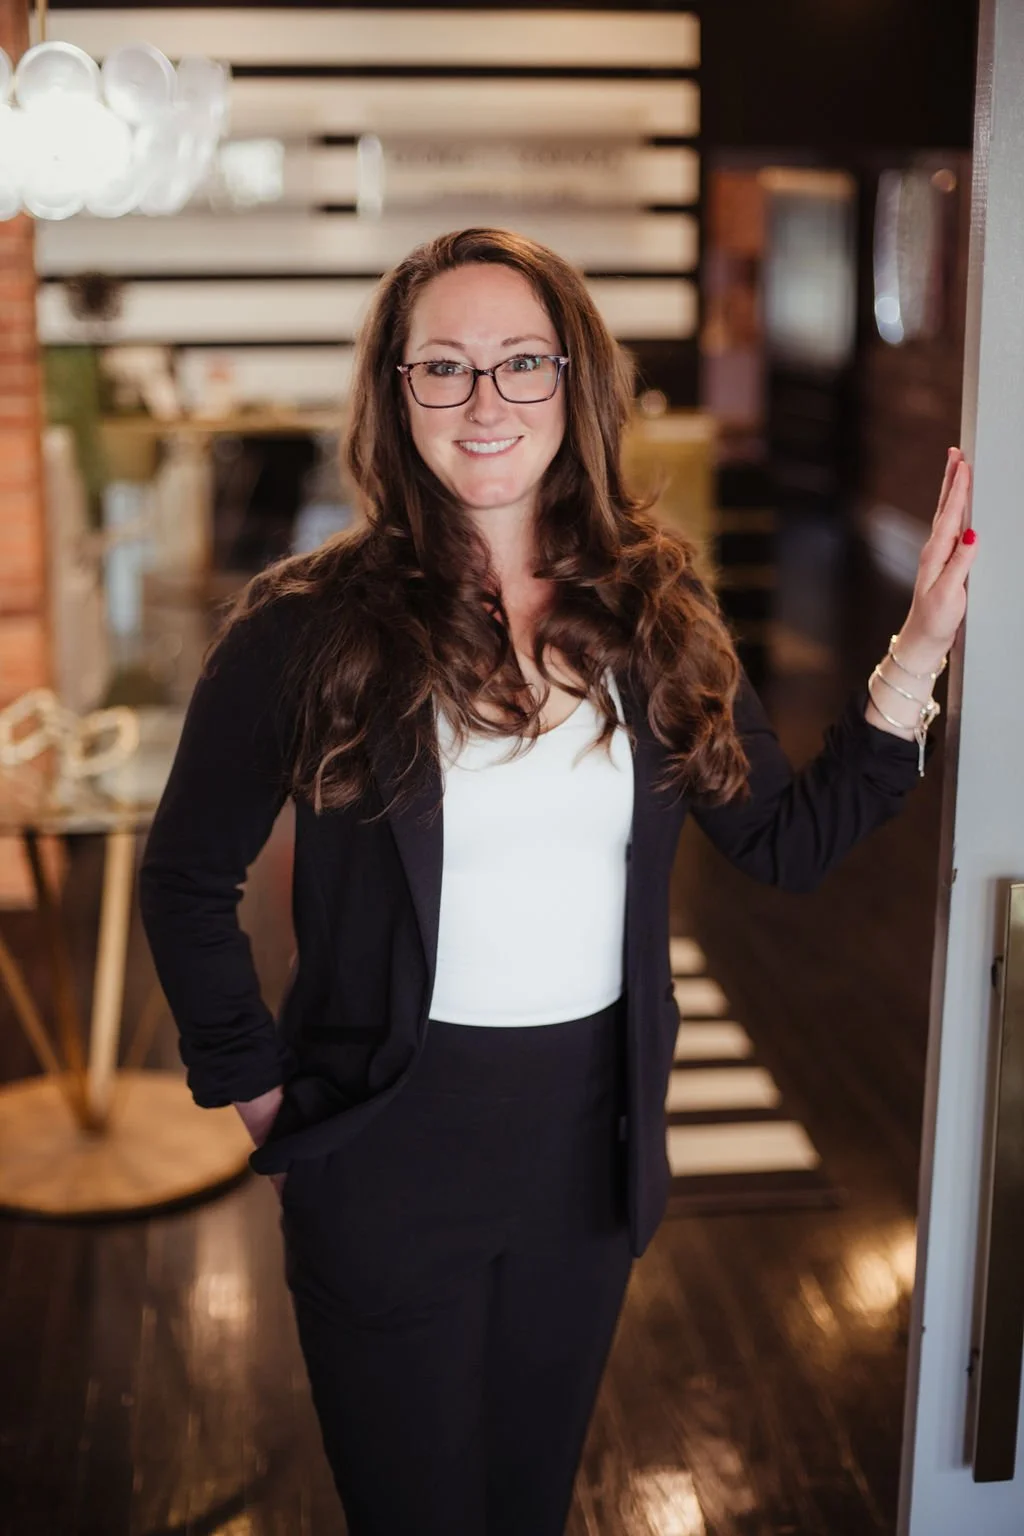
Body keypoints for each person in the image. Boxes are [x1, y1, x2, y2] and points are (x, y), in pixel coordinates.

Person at [138, 227, 977, 1536]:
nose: (486, 403)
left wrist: (915, 658)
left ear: (575, 383)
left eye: (522, 363)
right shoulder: (305, 628)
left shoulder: (656, 613)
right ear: (396, 391)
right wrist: (257, 1098)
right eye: (446, 368)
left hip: (587, 1151)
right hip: (385, 1140)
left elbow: (785, 843)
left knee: (528, 1503)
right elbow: (186, 877)